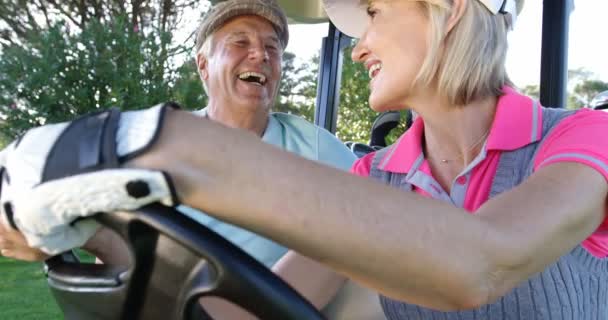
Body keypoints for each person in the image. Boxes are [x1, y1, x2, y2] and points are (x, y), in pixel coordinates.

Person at [3, 0, 608, 319]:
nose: (360, 44)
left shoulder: (585, 136)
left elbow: (485, 262)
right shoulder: (373, 177)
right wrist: (82, 243)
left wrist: (155, 144)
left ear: (448, 8)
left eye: (373, 13)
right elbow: (242, 308)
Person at [0, 0, 384, 319]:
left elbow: (372, 224)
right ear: (203, 66)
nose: (260, 55)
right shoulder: (160, 142)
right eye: (240, 41)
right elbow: (131, 260)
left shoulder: (314, 146)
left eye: (273, 48)